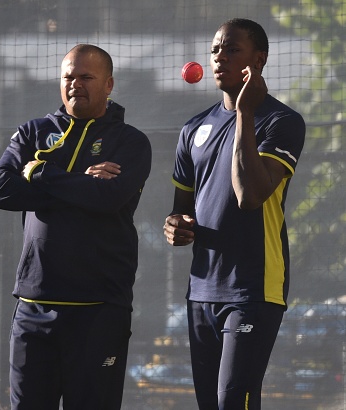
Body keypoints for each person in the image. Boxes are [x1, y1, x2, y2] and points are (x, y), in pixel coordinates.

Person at [0, 44, 152, 410]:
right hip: (33, 304)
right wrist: (82, 184)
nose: (75, 83)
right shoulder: (34, 131)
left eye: (86, 77)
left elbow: (108, 198)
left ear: (109, 84)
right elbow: (0, 191)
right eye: (68, 77)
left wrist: (39, 173)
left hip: (98, 307)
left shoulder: (130, 142)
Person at [163, 19, 306, 409]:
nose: (219, 57)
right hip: (202, 290)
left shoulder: (282, 121)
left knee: (232, 401)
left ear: (258, 60)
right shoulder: (194, 129)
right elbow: (180, 212)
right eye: (214, 51)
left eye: (231, 49)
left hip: (253, 289)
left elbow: (250, 195)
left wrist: (244, 113)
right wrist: (175, 227)